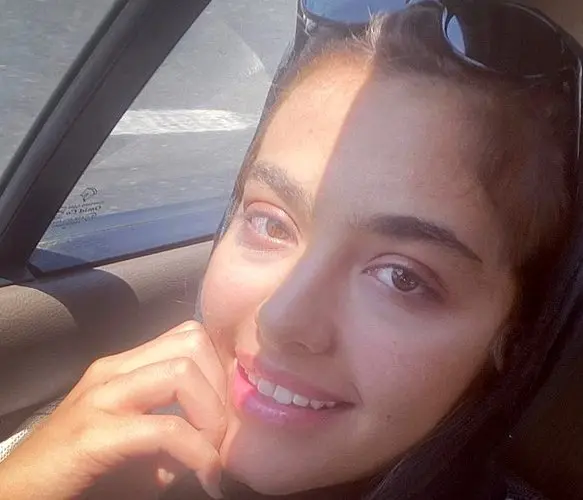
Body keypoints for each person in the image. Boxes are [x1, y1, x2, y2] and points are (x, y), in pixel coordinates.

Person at [0, 2, 581, 499]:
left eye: (401, 277)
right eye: (269, 223)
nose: (280, 319)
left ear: (511, 335)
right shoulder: (85, 451)